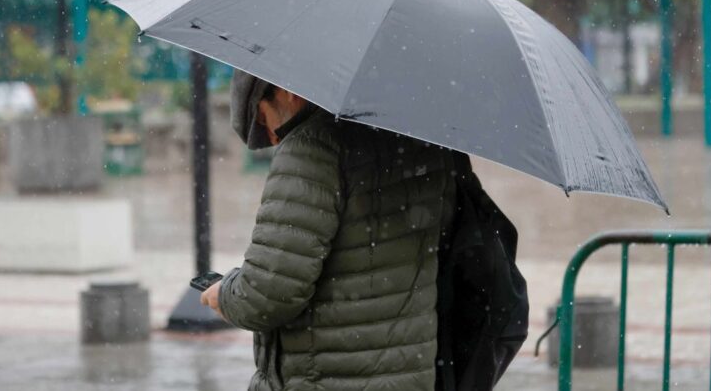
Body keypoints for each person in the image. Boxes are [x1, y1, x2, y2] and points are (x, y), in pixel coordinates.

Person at [200, 71, 521, 390]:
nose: (270, 136)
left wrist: (224, 294)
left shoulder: (312, 147)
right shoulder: (426, 141)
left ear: (285, 91)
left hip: (326, 378)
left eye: (260, 117)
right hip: (410, 375)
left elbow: (268, 295)